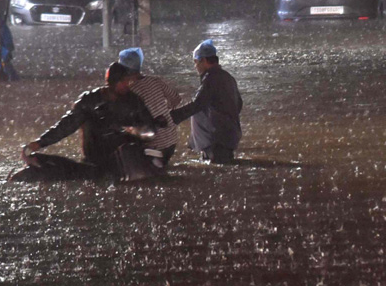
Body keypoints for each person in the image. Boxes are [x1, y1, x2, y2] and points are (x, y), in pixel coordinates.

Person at [13, 62, 157, 182]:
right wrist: (40, 143)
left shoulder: (134, 101)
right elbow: (67, 125)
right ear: (114, 82)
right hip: (95, 161)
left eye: (129, 81)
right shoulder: (89, 102)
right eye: (124, 81)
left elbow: (150, 129)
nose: (128, 85)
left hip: (127, 162)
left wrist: (133, 130)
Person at [170, 39, 243, 164]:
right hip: (227, 138)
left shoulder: (211, 79)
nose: (195, 66)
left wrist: (170, 117)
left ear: (203, 60)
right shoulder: (227, 77)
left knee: (217, 168)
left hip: (215, 141)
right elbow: (239, 104)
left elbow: (196, 104)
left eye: (196, 62)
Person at [117, 46, 181, 171]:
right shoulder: (155, 81)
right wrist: (163, 109)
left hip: (153, 147)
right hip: (172, 142)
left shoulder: (131, 93)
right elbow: (176, 99)